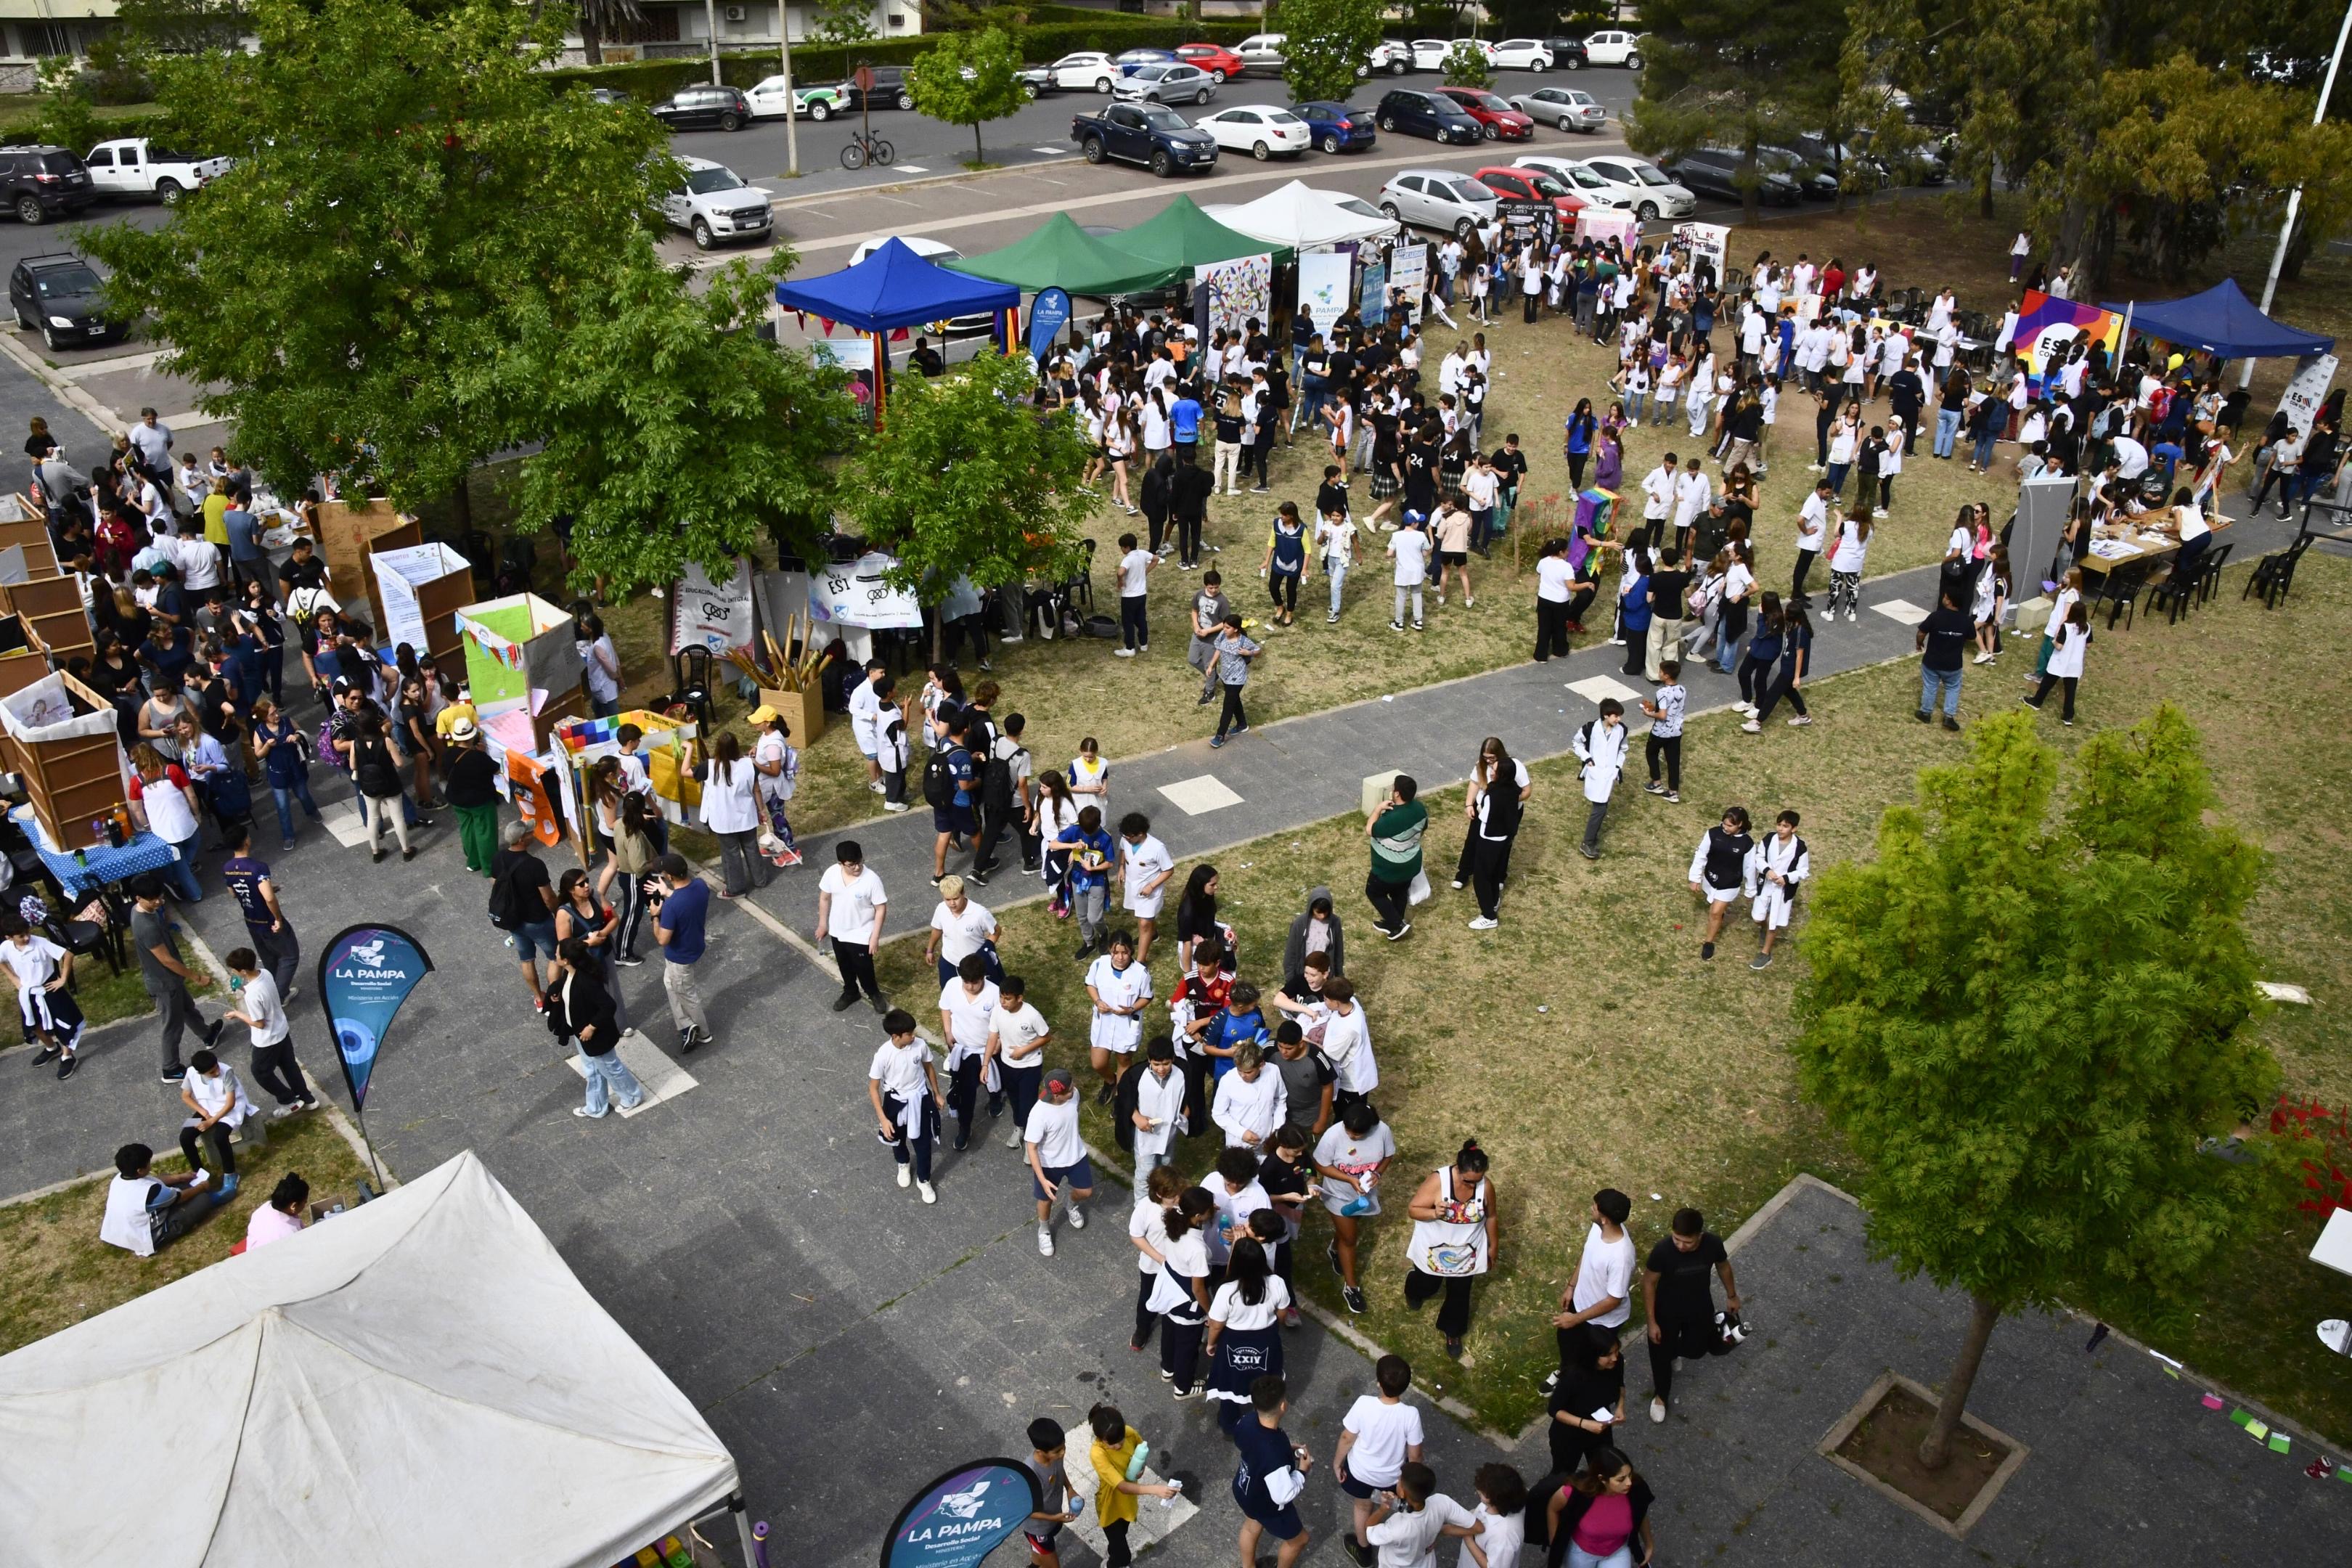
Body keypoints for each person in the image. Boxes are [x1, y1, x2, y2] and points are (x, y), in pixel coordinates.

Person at [1402, 1138, 1498, 1360]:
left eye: (1478, 1180)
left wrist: (1494, 1247)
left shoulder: (1487, 1186)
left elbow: (1492, 1216)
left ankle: (1453, 1331)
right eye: (1467, 1180)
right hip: (1433, 1251)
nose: (1473, 1186)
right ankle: (1414, 1288)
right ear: (1458, 1169)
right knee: (1428, 1283)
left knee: (1460, 1293)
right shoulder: (1438, 1181)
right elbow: (1414, 1210)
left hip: (1467, 1253)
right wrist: (1434, 1213)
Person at [1643, 1207, 1739, 1424]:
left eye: (1687, 1242)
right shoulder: (1663, 1250)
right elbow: (1649, 1282)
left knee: (1697, 1350)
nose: (1680, 1246)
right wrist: (1651, 1321)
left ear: (1700, 1236)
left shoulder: (1713, 1244)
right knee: (1659, 1355)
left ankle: (1672, 1351)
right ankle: (1661, 1396)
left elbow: (1723, 1266)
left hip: (1700, 1306)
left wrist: (1732, 1295)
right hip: (1667, 1311)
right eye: (1677, 1239)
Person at [1334, 1355, 1426, 1566]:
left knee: (1362, 1507)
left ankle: (1363, 1550)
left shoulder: (1364, 1404)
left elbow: (1347, 1438)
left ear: (1378, 1382)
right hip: (1391, 1478)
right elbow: (1415, 1456)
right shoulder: (1411, 1415)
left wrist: (1337, 1463)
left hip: (1359, 1473)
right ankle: (1385, 1537)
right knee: (1387, 1508)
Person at [131, 874, 223, 1081]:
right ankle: (170, 1068)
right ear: (138, 898)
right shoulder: (147, 927)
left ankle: (207, 1034)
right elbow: (167, 960)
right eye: (153, 899)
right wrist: (196, 977)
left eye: (160, 897)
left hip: (170, 980)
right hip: (164, 982)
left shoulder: (144, 911)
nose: (158, 902)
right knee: (172, 1026)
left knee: (187, 1007)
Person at [1204, 1235, 1294, 1433]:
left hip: (1233, 1342)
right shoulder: (1276, 1283)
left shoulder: (1227, 1291)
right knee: (1266, 1386)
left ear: (1235, 1262)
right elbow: (1282, 1313)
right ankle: (1262, 1421)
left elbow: (1217, 1325)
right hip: (1267, 1341)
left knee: (1230, 1384)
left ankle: (1228, 1424)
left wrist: (1211, 1344)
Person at [221, 943, 317, 1115]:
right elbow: (262, 993)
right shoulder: (265, 973)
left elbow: (259, 1023)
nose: (233, 972)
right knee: (289, 1066)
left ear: (242, 971)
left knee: (260, 1072)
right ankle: (307, 1098)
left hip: (267, 1040)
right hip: (281, 1030)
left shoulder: (252, 996)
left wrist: (238, 1014)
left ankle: (289, 1101)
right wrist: (242, 988)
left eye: (234, 970)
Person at [1551, 1188, 1636, 1378]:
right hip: (1580, 1305)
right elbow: (1587, 1252)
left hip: (1601, 1322)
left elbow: (1613, 1300)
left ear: (1604, 1218)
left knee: (1592, 1362)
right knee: (1567, 1343)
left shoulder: (1621, 1256)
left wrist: (1576, 1319)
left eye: (1595, 1207)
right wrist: (1571, 1286)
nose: (1591, 1209)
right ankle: (1564, 1373)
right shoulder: (1599, 1227)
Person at [1231, 1376, 1314, 1568]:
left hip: (1245, 1489)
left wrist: (1287, 1450)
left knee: (1252, 1527)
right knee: (1299, 1540)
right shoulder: (1274, 1453)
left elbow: (1249, 1444)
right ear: (1283, 1406)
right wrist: (1302, 1472)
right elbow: (1283, 1495)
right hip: (1267, 1505)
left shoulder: (1247, 1421)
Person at [1086, 1405, 1182, 1568]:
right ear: (1101, 1439)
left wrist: (1141, 1467)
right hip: (1110, 1504)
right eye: (1113, 1444)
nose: (1119, 1446)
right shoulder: (1098, 1453)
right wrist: (1155, 1490)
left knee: (1122, 1534)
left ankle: (1112, 1553)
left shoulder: (1128, 1432)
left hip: (1128, 1501)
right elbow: (1121, 1486)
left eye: (1121, 1441)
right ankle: (1113, 1564)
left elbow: (1141, 1450)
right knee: (1124, 1555)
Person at [869, 1008, 945, 1204]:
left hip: (920, 1098)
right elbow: (873, 1088)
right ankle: (903, 1163)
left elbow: (929, 1068)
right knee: (896, 1138)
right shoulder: (883, 1056)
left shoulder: (919, 1046)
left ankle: (924, 1180)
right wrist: (883, 1119)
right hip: (896, 1102)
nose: (914, 1036)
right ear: (896, 1036)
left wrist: (936, 1093)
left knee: (923, 1143)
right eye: (909, 1034)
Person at [219, 822, 299, 1002]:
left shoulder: (227, 868)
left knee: (269, 958)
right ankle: (278, 997)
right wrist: (278, 919)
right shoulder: (258, 867)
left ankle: (271, 989)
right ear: (246, 841)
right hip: (268, 920)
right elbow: (269, 898)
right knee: (289, 956)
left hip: (251, 920)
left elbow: (233, 893)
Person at [0, 912, 84, 1079]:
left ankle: (67, 1056)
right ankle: (52, 1048)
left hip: (49, 988)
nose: (27, 938)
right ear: (9, 937)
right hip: (29, 992)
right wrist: (15, 980)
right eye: (21, 936)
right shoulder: (5, 947)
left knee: (64, 1024)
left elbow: (67, 955)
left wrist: (62, 979)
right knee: (34, 1025)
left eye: (28, 933)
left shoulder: (41, 943)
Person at [1456, 737, 1530, 930]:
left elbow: (1485, 815)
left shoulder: (1494, 795)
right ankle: (1494, 901)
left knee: (1482, 877)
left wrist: (1480, 806)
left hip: (1489, 838)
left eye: (1494, 769)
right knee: (1493, 871)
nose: (1491, 770)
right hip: (1503, 835)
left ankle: (1489, 916)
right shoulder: (1511, 790)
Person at [100, 1141, 221, 1256]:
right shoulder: (152, 1193)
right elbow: (180, 1197)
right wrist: (201, 1187)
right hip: (146, 1237)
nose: (150, 1165)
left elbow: (152, 1180)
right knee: (203, 1200)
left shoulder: (120, 1178)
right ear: (140, 1171)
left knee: (181, 1185)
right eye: (148, 1163)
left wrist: (178, 1177)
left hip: (121, 1231)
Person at [1151, 1187, 1217, 1394]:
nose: (1211, 1213)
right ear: (1198, 1216)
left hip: (1170, 1291)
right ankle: (1183, 1387)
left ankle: (1168, 1369)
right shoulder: (1196, 1250)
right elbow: (1198, 1289)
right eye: (1208, 1211)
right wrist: (1211, 1313)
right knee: (1188, 1347)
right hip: (1187, 1300)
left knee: (1169, 1334)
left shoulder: (1174, 1223)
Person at [1543, 1448, 1656, 1568]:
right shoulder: (1576, 1493)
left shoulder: (1636, 1490)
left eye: (1630, 1475)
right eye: (1621, 1479)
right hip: (1581, 1554)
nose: (1629, 1483)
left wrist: (1649, 1544)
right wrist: (1555, 1542)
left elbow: (1641, 1514)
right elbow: (1553, 1509)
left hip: (1617, 1552)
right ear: (1602, 1479)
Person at [489, 820, 560, 1009]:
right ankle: (554, 997)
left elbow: (495, 884)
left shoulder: (498, 858)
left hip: (514, 920)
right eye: (529, 832)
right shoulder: (535, 865)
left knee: (526, 959)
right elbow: (548, 897)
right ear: (522, 839)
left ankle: (539, 998)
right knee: (555, 957)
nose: (533, 834)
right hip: (538, 920)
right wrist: (558, 913)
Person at [648, 852, 715, 1052]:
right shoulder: (700, 886)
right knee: (670, 983)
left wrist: (655, 916)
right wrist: (668, 893)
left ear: (669, 877)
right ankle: (686, 1025)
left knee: (686, 993)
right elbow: (686, 899)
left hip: (679, 956)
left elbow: (662, 939)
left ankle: (703, 1033)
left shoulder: (672, 907)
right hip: (694, 945)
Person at [814, 840, 889, 1015]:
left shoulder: (872, 880)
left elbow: (880, 908)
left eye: (859, 862)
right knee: (844, 965)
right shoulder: (832, 873)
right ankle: (851, 992)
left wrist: (875, 936)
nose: (857, 868)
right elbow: (824, 898)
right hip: (838, 931)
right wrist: (823, 924)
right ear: (841, 864)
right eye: (851, 865)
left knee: (864, 968)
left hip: (861, 933)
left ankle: (873, 993)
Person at [1085, 929, 1152, 1103]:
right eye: (1116, 952)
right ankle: (1110, 1081)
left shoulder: (1140, 973)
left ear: (1131, 951)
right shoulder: (1099, 965)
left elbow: (1147, 997)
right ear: (1110, 950)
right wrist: (1098, 1001)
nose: (1120, 957)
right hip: (1103, 1022)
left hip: (1126, 1025)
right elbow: (1090, 984)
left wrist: (1131, 1009)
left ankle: (1119, 1096)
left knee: (1124, 1060)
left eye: (1125, 953)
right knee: (1098, 1063)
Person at [178, 1048, 254, 1185]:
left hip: (229, 1110)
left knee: (219, 1137)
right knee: (185, 1137)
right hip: (206, 1108)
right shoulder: (191, 1073)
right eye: (212, 1072)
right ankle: (199, 1172)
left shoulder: (227, 1072)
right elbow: (185, 1096)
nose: (217, 1072)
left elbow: (231, 1103)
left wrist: (211, 1121)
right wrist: (204, 1113)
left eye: (217, 1067)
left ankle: (231, 1173)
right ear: (200, 1073)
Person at [1687, 806, 1755, 962]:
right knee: (1714, 908)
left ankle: (1709, 942)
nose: (1725, 827)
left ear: (1740, 825)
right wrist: (1695, 878)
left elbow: (1750, 868)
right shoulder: (1713, 834)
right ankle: (1720, 914)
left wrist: (1750, 890)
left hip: (1729, 884)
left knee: (1715, 913)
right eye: (1724, 824)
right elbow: (1701, 855)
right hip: (1710, 880)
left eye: (1730, 825)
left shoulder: (1747, 844)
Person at [1365, 775, 1426, 942]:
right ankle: (1394, 923)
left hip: (1389, 868)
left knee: (1374, 892)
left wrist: (1378, 809)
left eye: (1394, 789)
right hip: (1411, 863)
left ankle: (1397, 924)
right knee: (1399, 892)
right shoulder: (1420, 809)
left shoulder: (1392, 820)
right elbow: (1422, 830)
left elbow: (1370, 829)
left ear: (1397, 794)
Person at [1571, 700, 1630, 861]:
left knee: (1601, 807)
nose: (1619, 719)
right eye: (1615, 716)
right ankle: (1587, 842)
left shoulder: (1622, 730)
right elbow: (1576, 743)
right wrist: (1587, 758)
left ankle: (1591, 839)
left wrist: (1617, 767)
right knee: (1600, 809)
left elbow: (1622, 750)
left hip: (1609, 774)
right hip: (1595, 773)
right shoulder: (1590, 728)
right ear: (1605, 715)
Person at [1116, 812, 1175, 965]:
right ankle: (1153, 934)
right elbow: (1122, 850)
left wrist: (1151, 886)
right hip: (1133, 886)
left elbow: (1168, 870)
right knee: (1142, 919)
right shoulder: (1126, 839)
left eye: (1130, 836)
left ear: (1141, 834)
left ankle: (1141, 960)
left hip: (1150, 892)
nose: (1127, 839)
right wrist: (1121, 867)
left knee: (1144, 924)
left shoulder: (1157, 848)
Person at [1915, 585, 1975, 732]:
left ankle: (1926, 712)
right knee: (1953, 688)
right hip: (1953, 664)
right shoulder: (1966, 621)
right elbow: (1972, 637)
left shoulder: (1936, 617)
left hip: (1932, 662)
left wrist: (1919, 643)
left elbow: (1921, 632)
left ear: (1948, 601)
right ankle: (1949, 716)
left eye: (1945, 596)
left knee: (1930, 686)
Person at [924, 875, 1000, 987]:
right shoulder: (941, 909)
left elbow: (996, 931)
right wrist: (930, 950)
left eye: (956, 899)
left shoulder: (979, 913)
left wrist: (984, 951)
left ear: (964, 893)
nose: (952, 904)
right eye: (948, 900)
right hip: (949, 962)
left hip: (974, 966)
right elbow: (937, 929)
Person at [2023, 600, 2090, 726]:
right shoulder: (2087, 627)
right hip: (2074, 665)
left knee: (2047, 683)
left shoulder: (2067, 627)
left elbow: (2059, 646)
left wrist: (2054, 642)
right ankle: (2068, 716)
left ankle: (2037, 702)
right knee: (2070, 690)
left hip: (2061, 661)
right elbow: (2089, 644)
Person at [1209, 613, 1262, 748]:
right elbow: (1218, 650)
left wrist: (1248, 653)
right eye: (1224, 627)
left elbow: (1258, 650)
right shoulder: (1222, 635)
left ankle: (1220, 736)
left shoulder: (1243, 641)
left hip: (1237, 678)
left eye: (1227, 628)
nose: (1224, 630)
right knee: (1234, 700)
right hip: (1225, 675)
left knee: (1228, 706)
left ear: (1236, 629)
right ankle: (1242, 724)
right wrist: (1211, 666)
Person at [1113, 531, 1156, 656]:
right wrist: (1146, 572)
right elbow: (1156, 559)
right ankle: (1144, 644)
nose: (1121, 549)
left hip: (1129, 596)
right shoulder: (1142, 554)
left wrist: (1120, 582)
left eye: (1122, 547)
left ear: (1127, 547)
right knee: (1141, 619)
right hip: (1142, 594)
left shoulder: (1128, 559)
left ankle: (1130, 648)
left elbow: (1120, 572)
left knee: (1128, 622)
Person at [1532, 536, 1575, 662]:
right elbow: (1571, 586)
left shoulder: (1543, 561)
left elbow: (1539, 572)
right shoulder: (1566, 567)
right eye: (1567, 550)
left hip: (1544, 599)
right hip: (1560, 602)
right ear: (1561, 552)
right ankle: (1560, 650)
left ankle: (1541, 655)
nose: (1569, 552)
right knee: (1559, 627)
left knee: (1544, 627)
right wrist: (1587, 585)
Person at [245, 1172, 310, 1252]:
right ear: (293, 1206)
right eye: (305, 1202)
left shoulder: (263, 1209)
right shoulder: (290, 1234)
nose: (305, 1205)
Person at [1388, 513, 1432, 632]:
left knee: (1401, 597)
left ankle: (1399, 622)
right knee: (1417, 594)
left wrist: (1397, 555)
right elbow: (1426, 551)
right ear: (1413, 523)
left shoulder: (1396, 535)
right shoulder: (1421, 535)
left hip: (1402, 571)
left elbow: (1389, 553)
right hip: (1417, 571)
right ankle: (1418, 620)